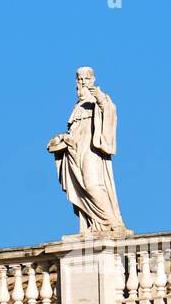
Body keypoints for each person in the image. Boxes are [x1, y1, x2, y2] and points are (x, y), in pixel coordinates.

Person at [47, 67, 126, 233]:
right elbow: (75, 132)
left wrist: (100, 99)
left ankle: (112, 223)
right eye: (79, 79)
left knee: (93, 185)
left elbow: (110, 113)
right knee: (81, 187)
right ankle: (94, 224)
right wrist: (63, 139)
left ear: (93, 80)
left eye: (86, 79)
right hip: (75, 151)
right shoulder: (77, 107)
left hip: (91, 150)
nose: (82, 82)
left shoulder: (100, 99)